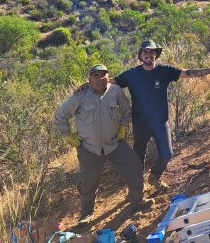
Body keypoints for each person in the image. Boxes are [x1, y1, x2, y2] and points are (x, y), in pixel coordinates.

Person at [55, 64, 153, 226]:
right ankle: (86, 215)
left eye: (103, 75)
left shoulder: (115, 91)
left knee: (134, 163)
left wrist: (123, 126)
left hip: (114, 143)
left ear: (108, 76)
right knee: (88, 182)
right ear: (89, 79)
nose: (100, 79)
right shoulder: (80, 95)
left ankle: (137, 201)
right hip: (88, 148)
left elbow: (126, 111)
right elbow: (60, 116)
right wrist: (69, 136)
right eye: (96, 76)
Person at [112, 40, 210, 192]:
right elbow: (110, 82)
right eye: (145, 52)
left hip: (160, 122)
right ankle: (136, 187)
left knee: (167, 153)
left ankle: (154, 177)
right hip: (140, 123)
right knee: (138, 156)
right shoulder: (131, 74)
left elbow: (186, 73)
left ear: (155, 55)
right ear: (140, 55)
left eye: (151, 52)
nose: (148, 55)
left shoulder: (164, 70)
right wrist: (88, 85)